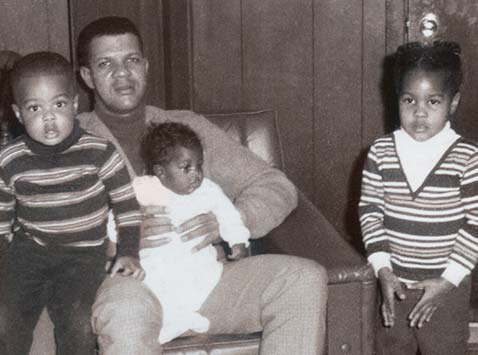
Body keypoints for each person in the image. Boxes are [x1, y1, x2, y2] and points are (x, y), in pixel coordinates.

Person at [29, 16, 328, 355]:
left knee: (301, 279)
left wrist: (229, 221)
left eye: (131, 60)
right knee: (125, 313)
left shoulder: (186, 128)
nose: (123, 74)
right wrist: (111, 242)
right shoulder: (62, 144)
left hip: (206, 282)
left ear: (146, 66)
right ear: (87, 77)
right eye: (105, 64)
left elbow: (275, 185)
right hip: (129, 287)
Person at [1, 51, 144, 355]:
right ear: (17, 113)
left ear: (76, 104)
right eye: (35, 108)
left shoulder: (99, 152)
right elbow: (1, 219)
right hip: (30, 252)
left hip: (84, 254)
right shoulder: (9, 159)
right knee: (5, 319)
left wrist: (129, 252)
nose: (49, 117)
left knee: (78, 322)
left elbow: (127, 207)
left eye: (59, 104)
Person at [359, 41, 478, 355]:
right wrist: (383, 270)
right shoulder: (380, 152)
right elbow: (370, 213)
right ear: (396, 99)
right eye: (409, 99)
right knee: (390, 349)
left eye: (433, 101)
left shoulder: (467, 158)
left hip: (446, 289)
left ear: (453, 103)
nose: (419, 112)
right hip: (394, 286)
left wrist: (449, 281)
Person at [109, 121, 250, 344]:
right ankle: (171, 325)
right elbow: (116, 218)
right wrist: (122, 238)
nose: (196, 174)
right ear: (161, 172)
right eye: (186, 167)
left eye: (199, 165)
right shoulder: (142, 189)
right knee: (151, 287)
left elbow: (229, 215)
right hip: (154, 264)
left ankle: (185, 320)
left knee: (199, 283)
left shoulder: (208, 190)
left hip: (197, 263)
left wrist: (238, 241)